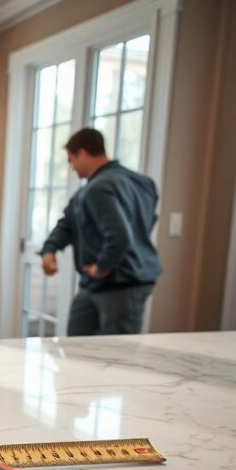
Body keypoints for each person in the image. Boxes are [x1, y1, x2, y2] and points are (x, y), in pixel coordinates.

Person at [40, 128, 162, 336]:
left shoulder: (98, 188)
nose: (71, 167)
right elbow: (68, 223)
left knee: (115, 355)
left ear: (83, 153)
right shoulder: (143, 183)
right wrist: (49, 249)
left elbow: (121, 236)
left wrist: (102, 267)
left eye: (71, 160)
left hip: (119, 283)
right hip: (101, 284)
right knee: (79, 341)